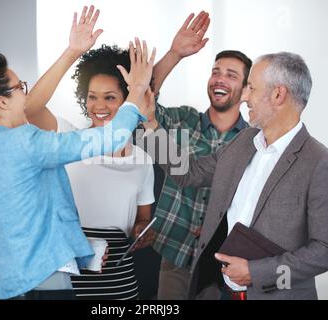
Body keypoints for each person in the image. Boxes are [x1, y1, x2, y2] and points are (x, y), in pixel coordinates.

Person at [0, 6, 156, 300]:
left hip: (9, 289)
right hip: (51, 290)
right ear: (2, 102)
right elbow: (112, 138)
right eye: (20, 88)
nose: (26, 95)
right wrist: (138, 89)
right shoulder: (28, 142)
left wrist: (79, 253)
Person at [141, 52, 328, 300]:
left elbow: (324, 250)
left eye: (251, 87)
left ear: (278, 94)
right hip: (219, 285)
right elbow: (190, 173)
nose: (245, 96)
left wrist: (257, 272)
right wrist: (152, 124)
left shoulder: (318, 161)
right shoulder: (243, 141)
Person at [26, 11, 155, 299]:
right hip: (67, 280)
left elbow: (142, 220)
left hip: (119, 283)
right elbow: (30, 109)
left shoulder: (143, 161)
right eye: (92, 96)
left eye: (110, 97)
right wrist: (72, 52)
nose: (99, 105)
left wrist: (143, 231)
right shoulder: (71, 140)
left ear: (126, 102)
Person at [146, 11, 252, 299]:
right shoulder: (181, 121)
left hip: (223, 266)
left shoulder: (254, 142)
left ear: (245, 91)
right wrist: (174, 53)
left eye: (231, 75)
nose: (219, 79)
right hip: (175, 254)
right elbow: (142, 99)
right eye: (216, 71)